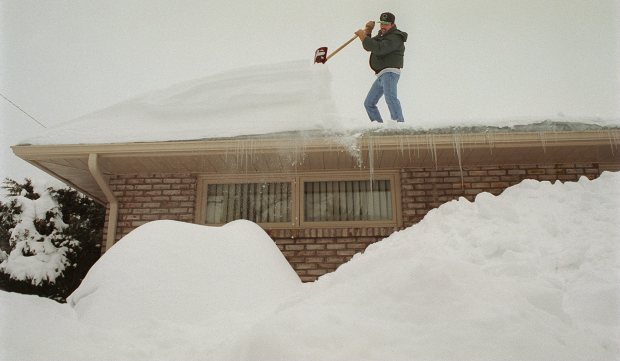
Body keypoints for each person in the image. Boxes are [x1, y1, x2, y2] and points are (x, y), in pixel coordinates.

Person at [355, 12, 408, 123]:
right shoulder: (381, 36)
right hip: (381, 75)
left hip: (390, 72)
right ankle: (377, 127)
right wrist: (368, 33)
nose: (383, 26)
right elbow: (369, 46)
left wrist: (363, 36)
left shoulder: (395, 37)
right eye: (381, 24)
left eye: (386, 24)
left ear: (392, 24)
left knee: (390, 99)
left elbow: (379, 49)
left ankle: (399, 125)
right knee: (369, 103)